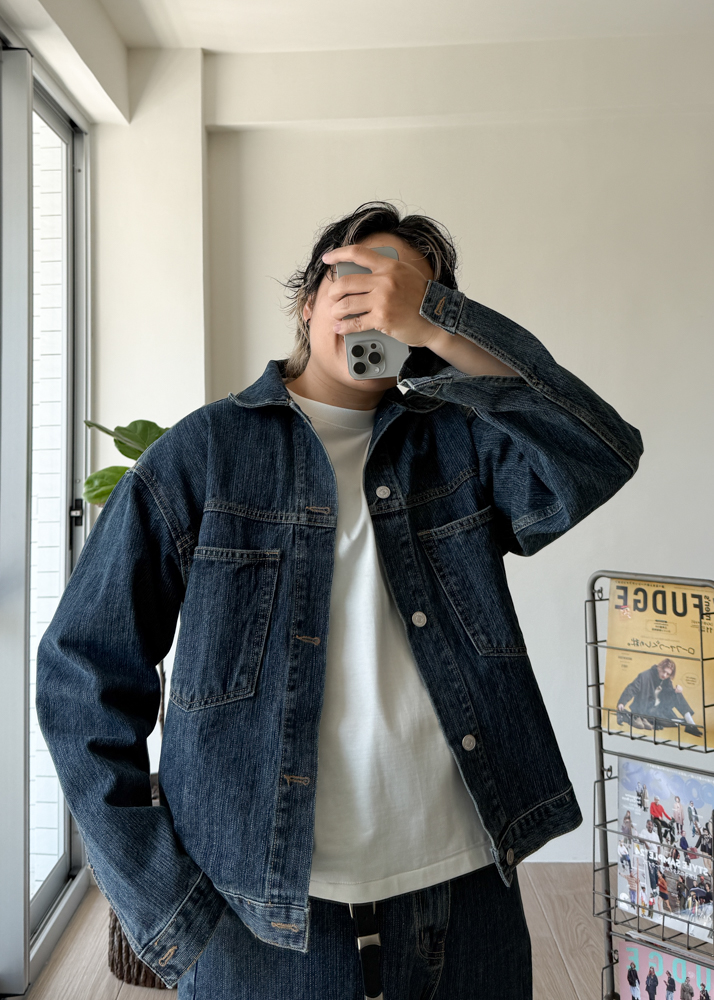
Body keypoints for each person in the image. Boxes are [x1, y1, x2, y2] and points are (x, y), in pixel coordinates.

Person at [34, 202, 643, 998]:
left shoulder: (459, 443)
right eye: (355, 280)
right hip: (257, 911)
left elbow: (600, 454)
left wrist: (446, 328)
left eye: (406, 292)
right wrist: (164, 901)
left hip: (464, 886)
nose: (375, 306)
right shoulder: (204, 454)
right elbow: (81, 672)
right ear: (306, 301)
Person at [617, 658, 703, 736]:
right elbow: (632, 688)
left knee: (677, 695)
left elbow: (670, 696)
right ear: (659, 667)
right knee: (671, 722)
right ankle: (629, 716)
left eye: (668, 674)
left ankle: (691, 724)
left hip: (658, 709)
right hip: (645, 709)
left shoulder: (666, 680)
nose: (665, 675)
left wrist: (677, 690)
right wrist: (622, 702)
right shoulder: (645, 676)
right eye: (664, 671)